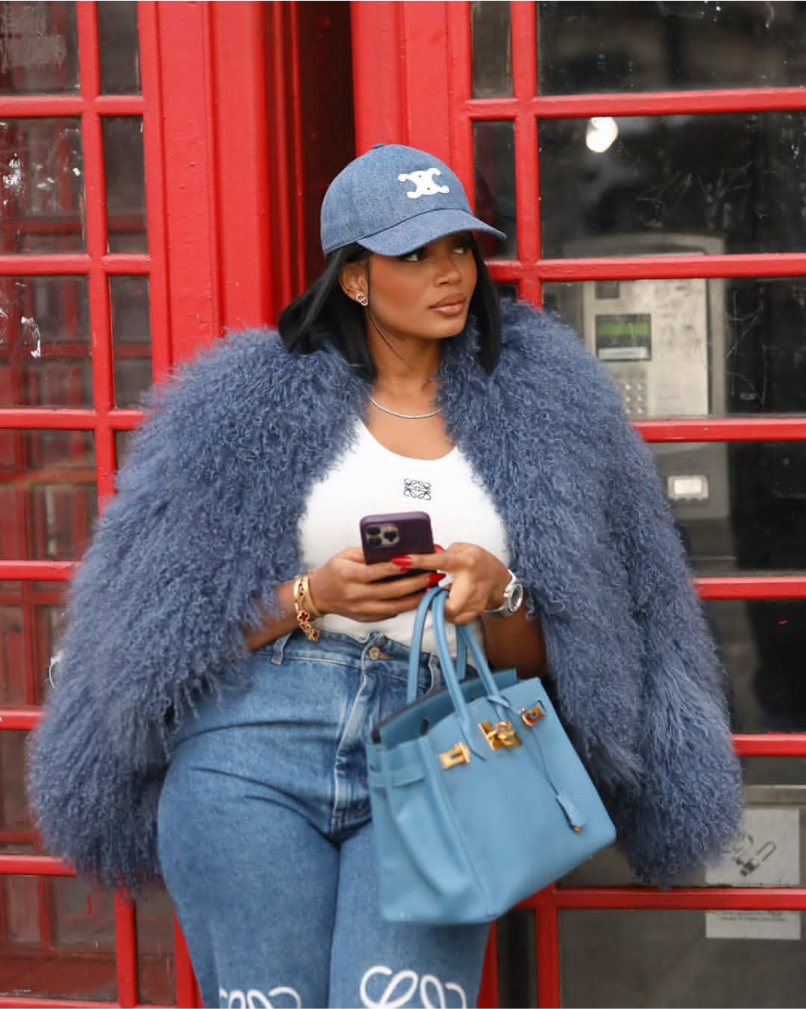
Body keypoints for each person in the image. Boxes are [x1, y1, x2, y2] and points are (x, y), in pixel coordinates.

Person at [28, 144, 743, 1009]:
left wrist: (500, 591)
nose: (450, 274)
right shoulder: (243, 402)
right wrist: (313, 595)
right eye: (416, 254)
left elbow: (582, 646)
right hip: (251, 753)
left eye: (460, 248)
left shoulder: (551, 403)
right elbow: (154, 631)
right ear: (358, 279)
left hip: (440, 743)